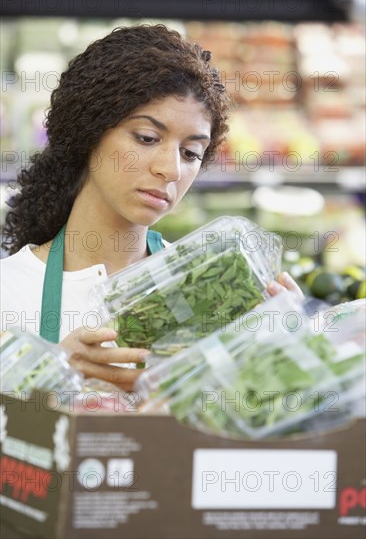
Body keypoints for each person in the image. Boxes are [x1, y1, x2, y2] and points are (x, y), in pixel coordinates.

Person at [0, 23, 302, 391]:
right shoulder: (9, 290)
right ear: (87, 132)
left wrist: (280, 347)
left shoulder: (217, 291)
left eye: (191, 153)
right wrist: (49, 377)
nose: (171, 169)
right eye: (147, 138)